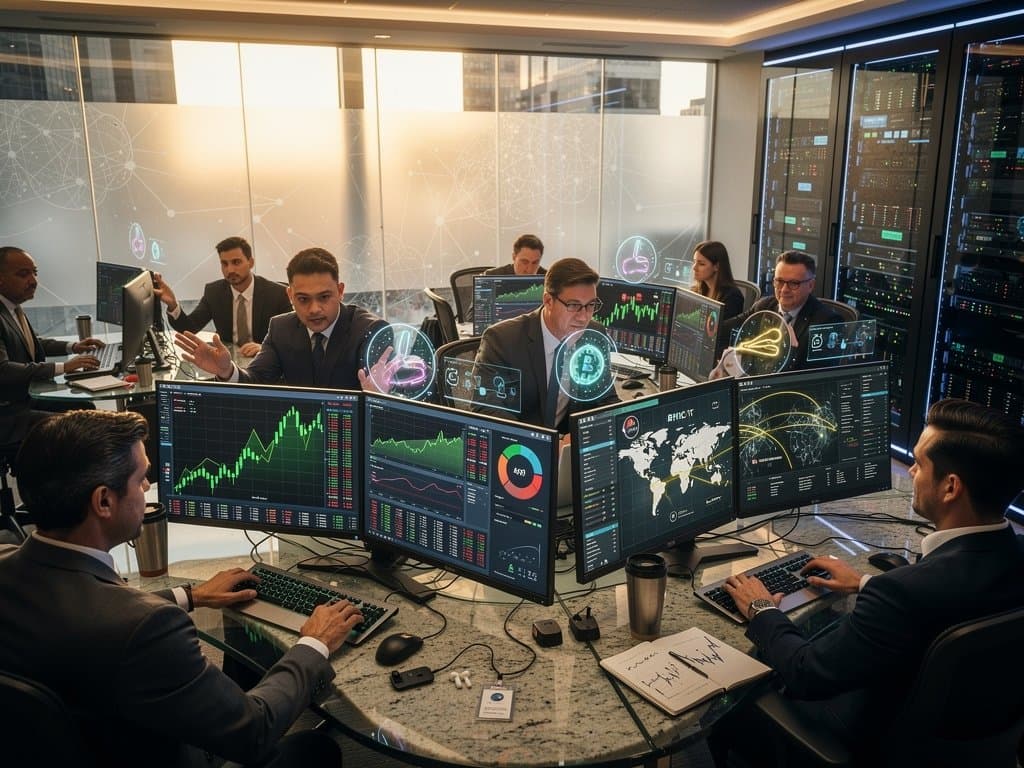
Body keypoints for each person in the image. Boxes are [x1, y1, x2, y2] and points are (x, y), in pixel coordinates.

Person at [0, 409, 358, 767]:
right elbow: (255, 731)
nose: (146, 489)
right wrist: (315, 643)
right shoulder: (145, 628)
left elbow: (79, 613)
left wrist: (191, 595)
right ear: (104, 502)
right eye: (142, 479)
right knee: (316, 749)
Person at [716, 398, 1024, 764]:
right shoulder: (1011, 555)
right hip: (971, 742)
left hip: (867, 738)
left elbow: (806, 672)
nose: (910, 472)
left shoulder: (904, 593)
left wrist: (762, 608)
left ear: (950, 487)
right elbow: (942, 602)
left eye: (920, 463)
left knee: (732, 699)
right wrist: (865, 583)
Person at [175, 247, 390, 391]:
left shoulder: (371, 331)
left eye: (324, 297)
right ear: (290, 296)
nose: (314, 309)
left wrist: (380, 396)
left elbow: (398, 398)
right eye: (303, 299)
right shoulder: (281, 328)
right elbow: (257, 380)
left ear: (340, 291)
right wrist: (226, 371)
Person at [471, 257, 618, 432]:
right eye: (573, 305)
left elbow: (604, 400)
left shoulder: (593, 335)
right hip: (520, 448)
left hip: (568, 447)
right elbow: (486, 409)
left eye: (591, 305)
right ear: (548, 301)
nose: (584, 317)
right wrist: (546, 443)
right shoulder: (502, 340)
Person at [0, 246, 105, 449]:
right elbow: (2, 370)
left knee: (85, 408)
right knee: (77, 426)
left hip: (23, 399)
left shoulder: (11, 306)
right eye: (23, 274)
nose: (33, 281)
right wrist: (63, 367)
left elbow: (32, 343)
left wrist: (73, 346)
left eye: (34, 273)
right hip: (8, 414)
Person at [155, 236, 292, 358]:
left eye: (236, 262)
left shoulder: (277, 293)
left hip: (266, 363)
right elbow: (190, 328)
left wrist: (265, 349)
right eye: (224, 264)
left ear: (250, 262)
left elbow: (291, 337)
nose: (230, 270)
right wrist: (173, 304)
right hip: (228, 363)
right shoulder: (214, 292)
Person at [717, 250, 841, 370]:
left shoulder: (826, 322)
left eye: (793, 283)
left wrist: (792, 352)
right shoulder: (764, 306)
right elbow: (723, 330)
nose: (784, 289)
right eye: (779, 281)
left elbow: (816, 376)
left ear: (811, 285)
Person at [690, 240, 743, 322]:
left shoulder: (732, 297)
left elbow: (721, 331)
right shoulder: (696, 290)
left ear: (716, 267)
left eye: (701, 264)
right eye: (694, 262)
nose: (694, 268)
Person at [483, 234, 547, 276]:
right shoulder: (492, 275)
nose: (529, 269)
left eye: (535, 263)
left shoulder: (549, 278)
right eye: (525, 262)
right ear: (514, 257)